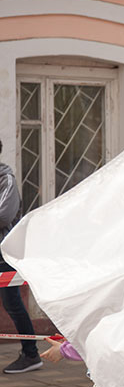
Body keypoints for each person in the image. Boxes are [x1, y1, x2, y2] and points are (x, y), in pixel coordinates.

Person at [0, 140, 42, 374]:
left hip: (4, 253)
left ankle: (31, 354)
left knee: (12, 303)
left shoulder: (6, 180)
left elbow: (4, 215)